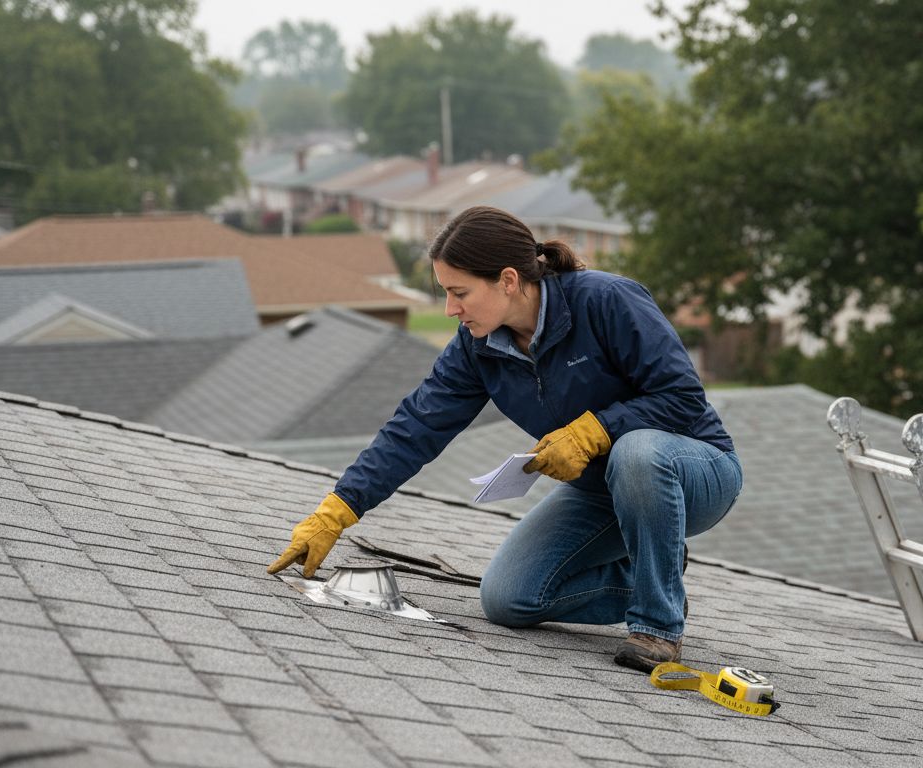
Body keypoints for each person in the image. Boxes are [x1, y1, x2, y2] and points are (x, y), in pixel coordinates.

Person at [267, 206, 743, 671]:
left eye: (460, 293)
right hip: (603, 491)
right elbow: (416, 426)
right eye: (446, 294)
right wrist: (339, 509)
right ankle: (654, 573)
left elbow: (682, 397)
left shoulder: (606, 300)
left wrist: (595, 430)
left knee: (636, 451)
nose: (451, 309)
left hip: (692, 472)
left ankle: (657, 627)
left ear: (509, 280)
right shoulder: (478, 347)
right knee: (508, 598)